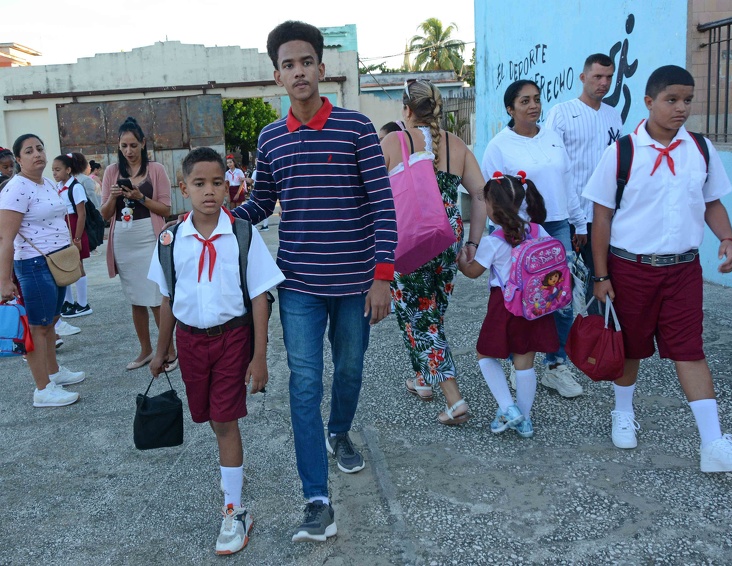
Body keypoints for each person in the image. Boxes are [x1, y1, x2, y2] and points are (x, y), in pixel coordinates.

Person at [231, 21, 397, 543]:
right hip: (298, 284)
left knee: (348, 371)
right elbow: (261, 203)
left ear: (322, 69)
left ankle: (340, 431)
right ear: (277, 75)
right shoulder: (270, 137)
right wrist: (211, 217)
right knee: (304, 384)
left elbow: (383, 206)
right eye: (288, 64)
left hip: (355, 284)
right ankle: (316, 500)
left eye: (306, 62)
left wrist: (382, 277)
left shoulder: (356, 128)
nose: (298, 71)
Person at [583, 65, 732, 473]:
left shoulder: (700, 149)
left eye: (687, 101)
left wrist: (727, 239)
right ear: (649, 102)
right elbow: (602, 215)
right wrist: (601, 275)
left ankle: (712, 444)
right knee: (631, 347)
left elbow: (712, 200)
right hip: (631, 268)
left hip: (683, 270)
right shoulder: (623, 152)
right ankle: (623, 413)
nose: (681, 108)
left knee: (690, 350)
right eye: (672, 100)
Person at [148, 147, 284, 555]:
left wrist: (259, 357)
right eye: (200, 183)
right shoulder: (171, 239)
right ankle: (232, 473)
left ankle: (234, 509)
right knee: (208, 416)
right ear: (183, 187)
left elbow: (260, 297)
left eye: (217, 182)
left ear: (229, 185)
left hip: (232, 340)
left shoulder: (242, 234)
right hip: (190, 342)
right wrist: (161, 348)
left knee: (225, 421)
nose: (210, 191)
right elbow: (168, 297)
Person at [380, 79, 486, 425]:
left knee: (421, 318)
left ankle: (454, 400)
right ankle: (424, 379)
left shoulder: (394, 141)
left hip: (411, 237)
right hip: (449, 237)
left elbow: (369, 196)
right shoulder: (456, 145)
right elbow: (480, 195)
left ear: (406, 109)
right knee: (431, 313)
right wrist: (472, 242)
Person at [481, 79, 587, 399]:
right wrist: (506, 233)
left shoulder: (553, 138)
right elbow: (492, 196)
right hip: (519, 232)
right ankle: (520, 363)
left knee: (560, 299)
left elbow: (567, 183)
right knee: (522, 302)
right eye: (524, 101)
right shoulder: (499, 146)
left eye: (537, 99)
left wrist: (578, 223)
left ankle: (556, 366)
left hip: (555, 229)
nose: (533, 106)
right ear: (510, 109)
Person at [457, 173, 559, 438]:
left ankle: (508, 408)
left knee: (485, 355)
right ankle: (523, 420)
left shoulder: (494, 242)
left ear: (494, 208)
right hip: (536, 307)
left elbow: (472, 273)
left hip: (505, 305)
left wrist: (461, 259)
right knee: (525, 362)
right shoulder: (539, 230)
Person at [0, 134, 84, 407]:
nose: (37, 154)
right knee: (37, 327)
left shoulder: (47, 183)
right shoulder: (16, 189)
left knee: (50, 323)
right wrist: (4, 280)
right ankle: (42, 390)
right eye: (28, 151)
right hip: (34, 265)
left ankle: (54, 373)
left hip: (58, 261)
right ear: (18, 159)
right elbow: (6, 239)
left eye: (39, 148)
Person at [545, 53, 622, 313]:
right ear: (583, 77)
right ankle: (559, 347)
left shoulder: (614, 116)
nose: (604, 82)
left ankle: (595, 344)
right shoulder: (562, 113)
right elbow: (550, 164)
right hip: (568, 216)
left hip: (602, 215)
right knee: (560, 285)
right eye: (598, 76)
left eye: (609, 77)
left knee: (599, 281)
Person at [101, 117, 177, 371]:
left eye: (133, 145)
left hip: (149, 236)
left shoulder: (156, 170)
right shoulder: (112, 171)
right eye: (124, 146)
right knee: (135, 298)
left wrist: (139, 197)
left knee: (156, 296)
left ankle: (169, 351)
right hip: (123, 237)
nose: (129, 151)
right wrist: (114, 197)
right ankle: (145, 350)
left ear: (143, 143)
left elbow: (166, 208)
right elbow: (104, 213)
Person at [52, 154, 92, 318]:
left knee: (77, 264)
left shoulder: (76, 187)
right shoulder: (58, 187)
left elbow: (81, 214)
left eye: (58, 169)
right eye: (53, 170)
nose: (54, 173)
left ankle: (83, 304)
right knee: (63, 264)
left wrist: (76, 238)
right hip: (62, 228)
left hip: (74, 227)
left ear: (68, 170)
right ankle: (68, 301)